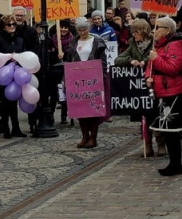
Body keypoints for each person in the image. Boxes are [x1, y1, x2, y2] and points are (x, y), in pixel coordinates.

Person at [146, 16, 182, 176]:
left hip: (172, 93)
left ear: (168, 30)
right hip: (162, 92)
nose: (154, 31)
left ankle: (176, 164)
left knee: (171, 131)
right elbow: (151, 66)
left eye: (158, 27)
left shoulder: (173, 45)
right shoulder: (160, 45)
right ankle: (173, 163)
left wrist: (156, 59)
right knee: (166, 130)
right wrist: (148, 77)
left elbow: (173, 68)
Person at [65, 17, 109, 148]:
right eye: (79, 30)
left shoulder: (97, 41)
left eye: (84, 29)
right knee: (80, 108)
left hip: (93, 77)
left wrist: (103, 74)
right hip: (77, 78)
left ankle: (93, 137)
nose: (82, 32)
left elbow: (103, 59)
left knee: (93, 108)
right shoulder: (74, 42)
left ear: (88, 28)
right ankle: (84, 136)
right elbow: (69, 59)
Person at [115, 18, 156, 155]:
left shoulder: (154, 43)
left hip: (153, 82)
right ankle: (147, 143)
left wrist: (145, 61)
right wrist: (131, 60)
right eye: (132, 32)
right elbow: (118, 59)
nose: (134, 35)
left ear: (143, 31)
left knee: (156, 113)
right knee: (143, 115)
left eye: (136, 32)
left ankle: (161, 142)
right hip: (138, 86)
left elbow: (158, 57)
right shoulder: (133, 44)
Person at [0, 14, 28, 138]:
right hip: (4, 76)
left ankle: (16, 128)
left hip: (17, 75)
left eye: (13, 24)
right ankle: (5, 127)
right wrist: (8, 58)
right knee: (5, 103)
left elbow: (23, 55)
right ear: (4, 27)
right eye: (9, 24)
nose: (12, 26)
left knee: (13, 102)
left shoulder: (20, 40)